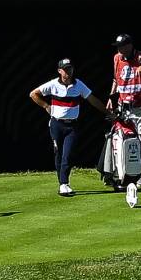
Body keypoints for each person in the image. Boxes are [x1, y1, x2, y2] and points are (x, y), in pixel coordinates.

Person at [30, 60, 95, 196]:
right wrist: (46, 106)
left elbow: (91, 98)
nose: (68, 72)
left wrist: (107, 112)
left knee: (68, 154)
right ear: (60, 71)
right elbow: (33, 94)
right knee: (59, 153)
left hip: (72, 125)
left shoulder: (78, 84)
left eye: (70, 68)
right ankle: (62, 183)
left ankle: (64, 183)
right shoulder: (53, 84)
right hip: (57, 124)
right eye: (65, 69)